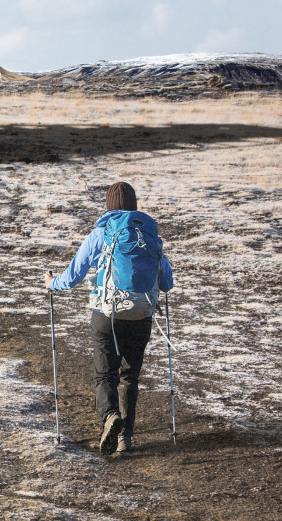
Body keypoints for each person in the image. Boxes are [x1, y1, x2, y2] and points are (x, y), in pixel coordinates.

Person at [44, 181, 173, 455]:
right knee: (130, 377)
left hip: (106, 315)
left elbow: (73, 276)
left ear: (108, 206)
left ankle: (110, 416)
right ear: (134, 205)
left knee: (105, 374)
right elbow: (167, 281)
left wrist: (51, 283)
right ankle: (125, 438)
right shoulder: (147, 235)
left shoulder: (99, 234)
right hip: (142, 314)